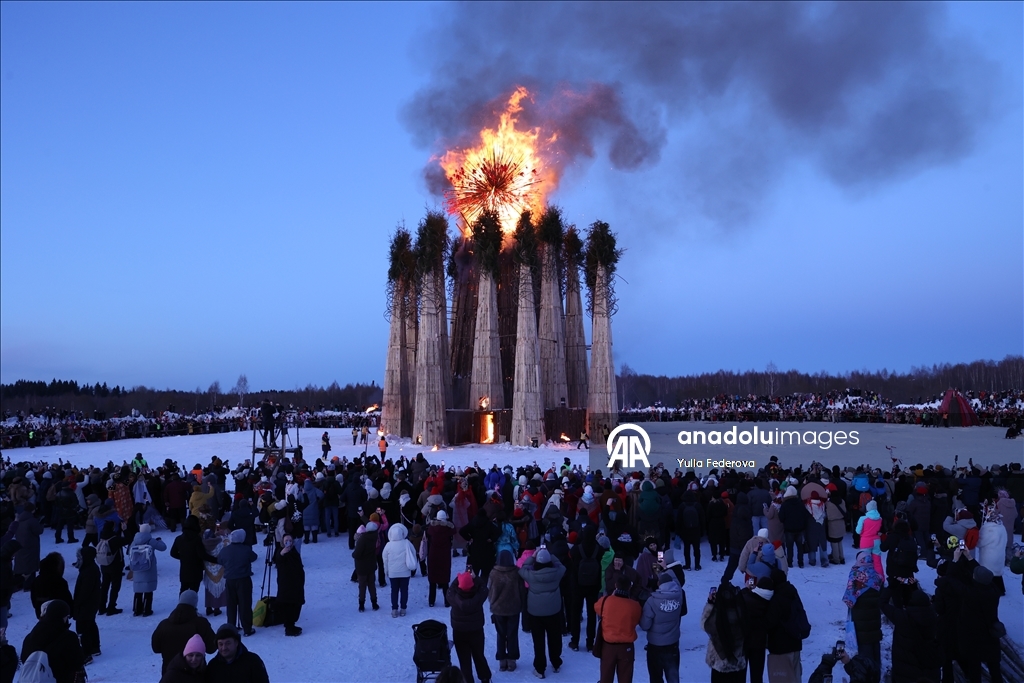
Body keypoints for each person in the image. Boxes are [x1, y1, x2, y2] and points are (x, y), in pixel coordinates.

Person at [519, 547, 566, 679]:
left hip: (535, 613)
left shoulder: (531, 575)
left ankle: (540, 669)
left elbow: (523, 568)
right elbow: (562, 566)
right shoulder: (557, 573)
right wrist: (551, 554)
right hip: (553, 611)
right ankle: (556, 663)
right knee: (555, 638)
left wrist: (533, 556)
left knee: (538, 641)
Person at [151, 590, 217, 674]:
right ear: (195, 604)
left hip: (170, 674)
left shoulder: (163, 625)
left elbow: (156, 648)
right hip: (195, 674)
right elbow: (212, 648)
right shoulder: (201, 624)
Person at [20, 599, 87, 683]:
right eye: (67, 616)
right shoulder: (69, 637)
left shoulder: (29, 637)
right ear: (63, 617)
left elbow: (24, 659)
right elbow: (78, 662)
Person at [595, 576, 642, 683]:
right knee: (625, 679)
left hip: (608, 647)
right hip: (626, 648)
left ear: (616, 586)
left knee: (606, 678)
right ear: (629, 588)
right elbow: (637, 620)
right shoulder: (635, 606)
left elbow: (597, 608)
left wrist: (611, 597)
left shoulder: (605, 601)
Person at [447, 571, 492, 683]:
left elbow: (450, 589)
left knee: (464, 659)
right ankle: (485, 677)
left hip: (459, 632)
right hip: (476, 631)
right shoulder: (478, 596)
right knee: (479, 655)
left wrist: (459, 579)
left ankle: (468, 680)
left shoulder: (453, 597)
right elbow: (484, 587)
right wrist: (475, 578)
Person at [765, 569, 810, 683]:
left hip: (781, 647)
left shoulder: (777, 599)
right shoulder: (792, 592)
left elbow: (769, 622)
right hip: (795, 643)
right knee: (795, 677)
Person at [640, 572, 684, 683]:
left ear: (659, 584)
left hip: (655, 646)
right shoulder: (679, 596)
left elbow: (645, 625)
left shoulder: (651, 601)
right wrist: (666, 568)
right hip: (672, 644)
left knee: (656, 678)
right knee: (673, 678)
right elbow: (677, 583)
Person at [843, 551, 883, 673]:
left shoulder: (855, 575)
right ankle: (876, 675)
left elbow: (848, 600)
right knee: (875, 646)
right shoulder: (877, 576)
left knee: (865, 651)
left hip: (860, 621)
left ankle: (866, 676)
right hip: (875, 620)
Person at [702, 582, 746, 683]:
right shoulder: (741, 611)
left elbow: (705, 625)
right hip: (738, 661)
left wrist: (710, 604)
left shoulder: (718, 614)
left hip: (720, 662)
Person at [488, 549, 524, 672]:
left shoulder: (494, 573)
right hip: (513, 608)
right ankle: (512, 661)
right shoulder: (516, 573)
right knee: (512, 634)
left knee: (501, 634)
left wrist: (492, 603)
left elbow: (490, 591)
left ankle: (502, 661)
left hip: (498, 609)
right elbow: (521, 590)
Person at [218, 528, 258, 636]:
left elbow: (219, 560)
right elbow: (254, 557)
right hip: (243, 579)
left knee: (231, 604)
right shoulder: (246, 549)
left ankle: (231, 627)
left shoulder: (225, 550)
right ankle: (247, 628)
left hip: (230, 580)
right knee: (245, 604)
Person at [171, 516, 219, 595]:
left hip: (184, 570)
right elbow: (202, 555)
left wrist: (183, 557)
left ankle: (182, 606)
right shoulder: (197, 539)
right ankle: (191, 607)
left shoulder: (179, 539)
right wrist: (216, 560)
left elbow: (173, 553)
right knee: (193, 592)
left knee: (183, 590)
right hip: (196, 570)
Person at [129, 523, 167, 617]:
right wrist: (160, 541)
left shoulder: (134, 541)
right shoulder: (150, 540)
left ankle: (137, 610)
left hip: (137, 567)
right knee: (148, 590)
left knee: (138, 590)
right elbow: (163, 548)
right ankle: (147, 610)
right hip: (148, 568)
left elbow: (129, 551)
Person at [72, 545, 102, 661]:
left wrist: (76, 603)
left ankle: (87, 652)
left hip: (86, 605)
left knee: (83, 628)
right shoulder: (90, 568)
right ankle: (95, 647)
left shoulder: (88, 571)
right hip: (91, 604)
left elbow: (85, 592)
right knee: (90, 624)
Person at [381, 522, 418, 617]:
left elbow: (385, 559)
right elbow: (413, 554)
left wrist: (386, 571)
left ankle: (394, 609)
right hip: (405, 573)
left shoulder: (388, 545)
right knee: (404, 591)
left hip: (393, 573)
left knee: (394, 591)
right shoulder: (407, 543)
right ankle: (403, 609)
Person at [274, 534, 305, 636]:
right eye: (286, 540)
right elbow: (278, 559)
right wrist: (282, 554)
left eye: (290, 540)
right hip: (286, 584)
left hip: (296, 583)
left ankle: (291, 624)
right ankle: (289, 627)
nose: (288, 542)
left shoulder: (294, 551)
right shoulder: (281, 552)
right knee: (288, 604)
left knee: (296, 604)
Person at [427, 510, 457, 607]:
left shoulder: (432, 528)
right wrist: (448, 523)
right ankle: (447, 601)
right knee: (444, 579)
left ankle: (431, 601)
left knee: (432, 580)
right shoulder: (448, 529)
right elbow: (454, 530)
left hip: (433, 555)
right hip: (444, 555)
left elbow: (428, 532)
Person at [30, 552, 73, 620]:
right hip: (58, 615)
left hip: (41, 614)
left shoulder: (36, 580)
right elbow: (66, 598)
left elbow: (33, 599)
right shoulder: (59, 581)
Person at [352, 521, 381, 612]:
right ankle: (374, 603)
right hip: (371, 564)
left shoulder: (363, 539)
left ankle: (361, 604)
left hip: (362, 566)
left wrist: (353, 554)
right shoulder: (375, 536)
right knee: (372, 585)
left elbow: (357, 554)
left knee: (362, 586)